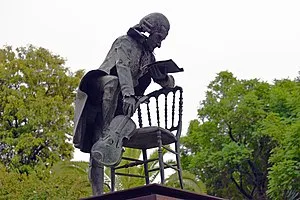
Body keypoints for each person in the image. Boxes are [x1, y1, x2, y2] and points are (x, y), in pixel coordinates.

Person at [73, 12, 175, 195]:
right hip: (100, 90)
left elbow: (169, 84)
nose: (159, 43)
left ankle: (98, 190)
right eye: (158, 37)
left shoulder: (149, 57)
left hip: (117, 105)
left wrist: (166, 79)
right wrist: (129, 93)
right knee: (112, 82)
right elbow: (122, 66)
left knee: (100, 148)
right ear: (148, 29)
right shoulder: (124, 42)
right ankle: (98, 192)